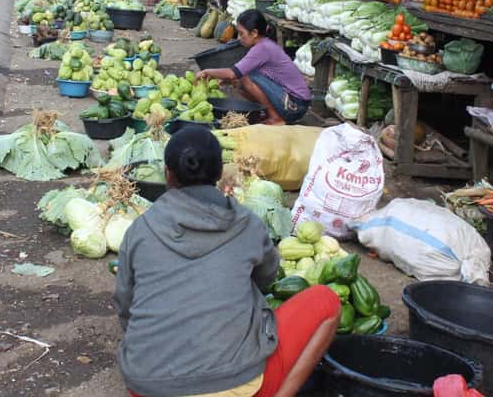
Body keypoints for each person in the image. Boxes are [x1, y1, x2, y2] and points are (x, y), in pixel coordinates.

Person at [115, 126, 341, 397]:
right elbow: (267, 279)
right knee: (326, 301)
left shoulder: (139, 230)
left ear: (167, 174)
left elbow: (125, 306)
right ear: (221, 173)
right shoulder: (249, 225)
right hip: (238, 387)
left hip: (149, 388)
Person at [196, 10, 311, 125]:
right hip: (292, 102)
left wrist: (207, 71)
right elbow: (235, 76)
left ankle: (276, 118)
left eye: (242, 34)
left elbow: (233, 73)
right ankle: (268, 113)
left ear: (254, 33)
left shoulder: (262, 48)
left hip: (295, 105)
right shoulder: (264, 45)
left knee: (245, 77)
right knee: (240, 80)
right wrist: (229, 80)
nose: (239, 38)